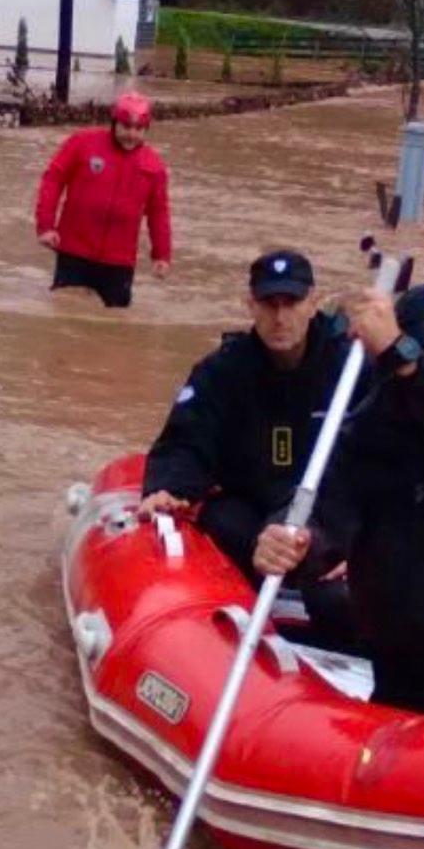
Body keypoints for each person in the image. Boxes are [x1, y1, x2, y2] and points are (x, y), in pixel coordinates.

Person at [255, 281, 424, 716]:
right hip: (406, 676)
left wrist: (410, 362)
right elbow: (323, 512)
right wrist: (292, 540)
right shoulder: (370, 430)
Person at [138, 250, 358, 643]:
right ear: (250, 305)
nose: (280, 317)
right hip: (251, 511)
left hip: (328, 517)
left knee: (337, 593)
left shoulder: (351, 367)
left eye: (290, 303)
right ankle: (224, 638)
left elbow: (389, 455)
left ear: (312, 303)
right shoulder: (222, 370)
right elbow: (187, 438)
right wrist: (168, 486)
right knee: (221, 524)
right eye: (268, 304)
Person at [35, 92, 171, 308]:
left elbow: (158, 212)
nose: (131, 134)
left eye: (138, 129)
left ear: (146, 129)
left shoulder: (154, 166)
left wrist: (161, 255)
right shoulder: (82, 143)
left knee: (114, 326)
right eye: (126, 127)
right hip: (74, 251)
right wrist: (45, 226)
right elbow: (53, 180)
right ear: (114, 122)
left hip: (119, 262)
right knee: (64, 314)